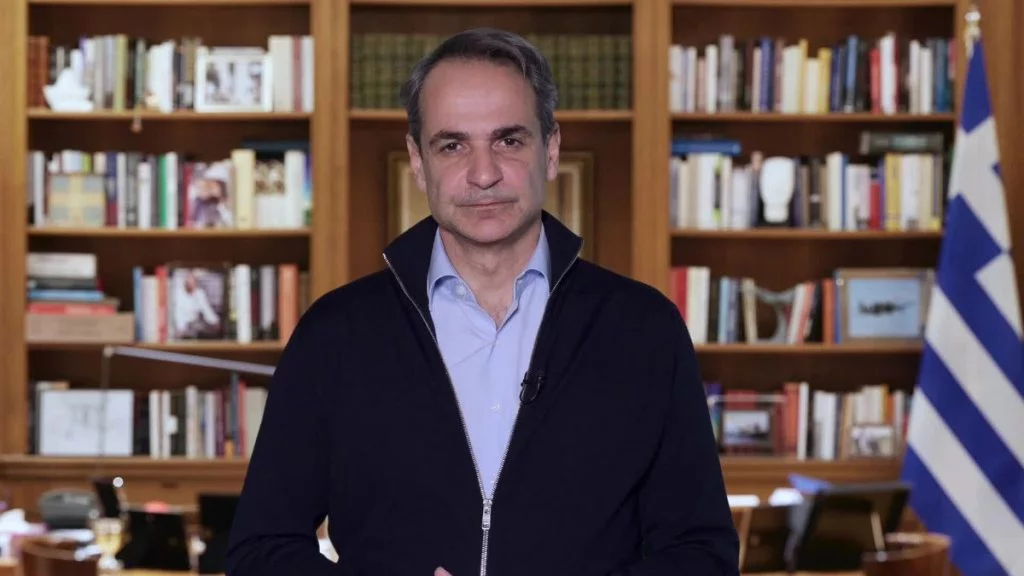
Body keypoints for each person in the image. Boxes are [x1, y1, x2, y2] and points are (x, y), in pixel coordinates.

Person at [225, 27, 739, 576]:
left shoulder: (643, 329)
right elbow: (260, 551)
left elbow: (701, 554)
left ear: (551, 149)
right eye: (452, 145)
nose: (484, 173)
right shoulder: (335, 333)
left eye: (508, 141)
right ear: (418, 160)